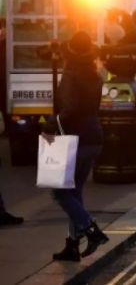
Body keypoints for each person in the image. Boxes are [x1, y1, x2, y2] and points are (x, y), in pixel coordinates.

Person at [41, 31, 108, 261]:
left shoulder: (70, 75)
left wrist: (49, 125)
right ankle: (72, 245)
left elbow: (69, 110)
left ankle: (91, 230)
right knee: (75, 191)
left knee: (60, 192)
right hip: (93, 137)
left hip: (73, 139)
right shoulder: (94, 74)